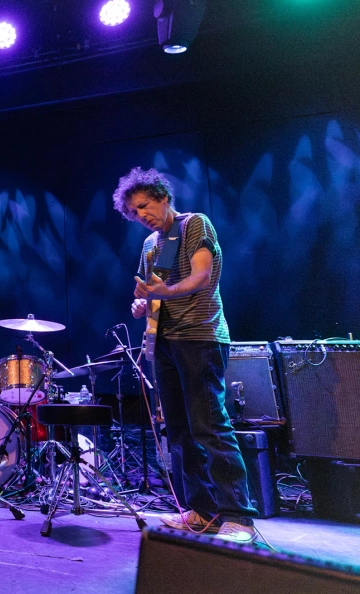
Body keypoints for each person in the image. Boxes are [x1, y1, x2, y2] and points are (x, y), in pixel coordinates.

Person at [113, 166, 259, 544]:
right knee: (178, 431)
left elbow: (200, 278)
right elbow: (151, 292)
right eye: (134, 213)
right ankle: (201, 511)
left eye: (144, 206)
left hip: (200, 337)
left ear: (163, 197)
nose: (141, 216)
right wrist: (142, 304)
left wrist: (160, 294)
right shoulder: (150, 246)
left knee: (209, 425)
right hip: (165, 341)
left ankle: (239, 517)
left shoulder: (195, 224)